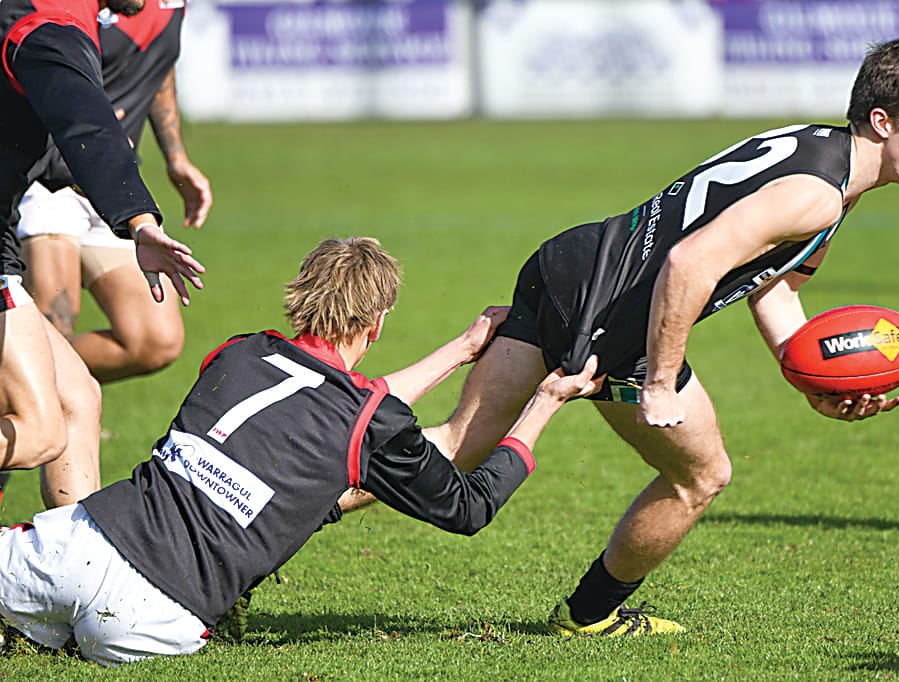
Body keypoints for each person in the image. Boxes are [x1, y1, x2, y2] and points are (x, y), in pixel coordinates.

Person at [413, 36, 899, 636]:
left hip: (571, 262)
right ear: (883, 122)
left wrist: (811, 374)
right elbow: (689, 264)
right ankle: (587, 617)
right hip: (618, 317)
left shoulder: (821, 151)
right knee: (701, 476)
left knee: (456, 443)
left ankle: (307, 502)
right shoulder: (816, 196)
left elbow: (776, 288)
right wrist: (658, 380)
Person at [0, 237, 600, 665]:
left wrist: (461, 349)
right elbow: (467, 507)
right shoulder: (370, 418)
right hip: (160, 617)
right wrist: (544, 399)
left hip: (73, 545)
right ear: (379, 321)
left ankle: (37, 628)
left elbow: (331, 395)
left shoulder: (238, 352)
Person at [0, 0, 203, 508]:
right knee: (41, 425)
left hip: (97, 183)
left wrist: (170, 160)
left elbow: (146, 74)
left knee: (78, 396)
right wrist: (139, 219)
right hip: (60, 185)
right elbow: (85, 118)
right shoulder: (48, 21)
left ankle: (77, 573)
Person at [18, 0, 211, 383]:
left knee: (155, 339)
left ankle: (45, 394)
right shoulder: (80, 8)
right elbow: (39, 67)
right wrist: (91, 119)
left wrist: (175, 156)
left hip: (112, 189)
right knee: (51, 331)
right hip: (47, 179)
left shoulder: (170, 5)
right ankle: (48, 412)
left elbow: (159, 64)